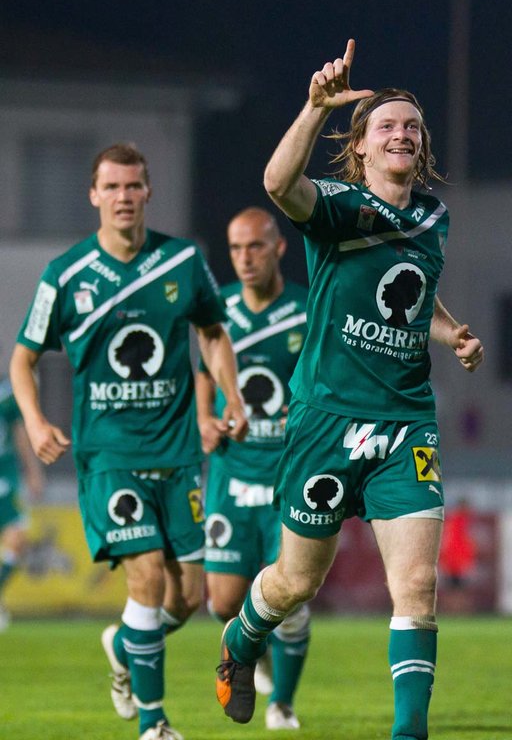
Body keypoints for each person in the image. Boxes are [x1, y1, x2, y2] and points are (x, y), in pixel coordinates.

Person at [215, 39, 484, 739]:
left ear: (422, 146)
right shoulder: (336, 208)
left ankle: (409, 733)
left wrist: (450, 332)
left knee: (417, 587)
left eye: (412, 126)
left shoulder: (433, 218)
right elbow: (278, 184)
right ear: (360, 147)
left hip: (405, 423)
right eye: (386, 125)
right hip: (327, 421)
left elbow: (413, 294)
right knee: (295, 582)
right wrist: (314, 109)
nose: (402, 134)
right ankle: (242, 639)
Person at [10, 142, 247, 740]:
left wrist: (232, 397)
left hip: (176, 454)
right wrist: (35, 421)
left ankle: (123, 644)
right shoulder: (66, 274)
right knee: (145, 576)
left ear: (148, 192)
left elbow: (213, 333)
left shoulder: (183, 261)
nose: (123, 196)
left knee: (185, 598)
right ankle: (153, 722)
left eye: (133, 186)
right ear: (93, 194)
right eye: (111, 187)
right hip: (108, 455)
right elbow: (23, 358)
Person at [196, 207, 309, 730]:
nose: (244, 258)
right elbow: (204, 372)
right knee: (223, 602)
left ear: (279, 248)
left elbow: (325, 375)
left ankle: (282, 702)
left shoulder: (306, 310)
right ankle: (252, 645)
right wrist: (205, 418)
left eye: (255, 246)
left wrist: (301, 412)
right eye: (236, 248)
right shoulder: (218, 309)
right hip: (230, 472)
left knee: (291, 593)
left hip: (287, 475)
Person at [0, 374, 44, 630]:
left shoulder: (7, 396)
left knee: (17, 539)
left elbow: (20, 434)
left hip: (5, 478)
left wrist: (33, 472)